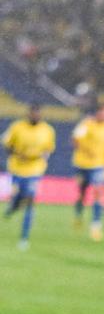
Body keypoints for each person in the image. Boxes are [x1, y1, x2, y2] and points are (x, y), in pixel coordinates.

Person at [2, 104, 56, 250]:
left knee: (30, 200)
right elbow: (7, 144)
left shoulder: (47, 130)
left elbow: (49, 149)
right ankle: (13, 206)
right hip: (17, 168)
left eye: (37, 114)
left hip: (35, 169)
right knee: (17, 196)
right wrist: (17, 154)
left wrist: (39, 156)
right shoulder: (17, 127)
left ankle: (24, 237)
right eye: (33, 114)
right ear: (29, 114)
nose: (35, 116)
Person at [71, 103, 104, 240]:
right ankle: (78, 214)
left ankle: (96, 225)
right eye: (103, 113)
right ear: (97, 113)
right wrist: (85, 150)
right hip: (82, 164)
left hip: (98, 165)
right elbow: (75, 139)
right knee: (82, 193)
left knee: (98, 193)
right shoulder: (87, 124)